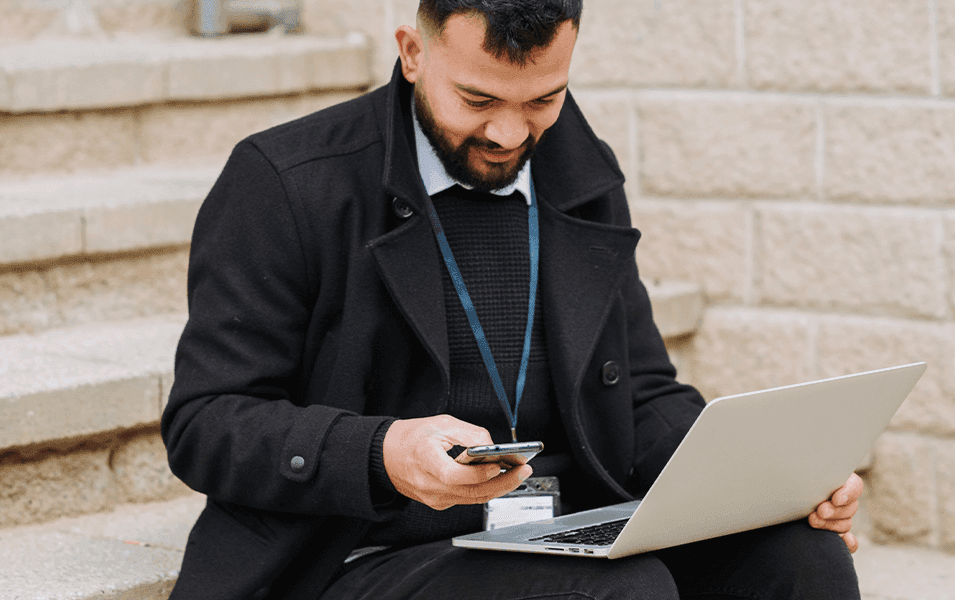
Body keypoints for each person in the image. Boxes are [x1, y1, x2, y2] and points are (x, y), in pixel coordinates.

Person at [161, 1, 864, 598]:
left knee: (801, 558)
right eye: (477, 100)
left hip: (565, 530)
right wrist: (383, 451)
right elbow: (206, 422)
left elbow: (642, 391)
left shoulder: (576, 168)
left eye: (542, 100)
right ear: (412, 53)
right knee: (621, 591)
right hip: (361, 554)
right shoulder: (284, 181)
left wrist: (760, 481)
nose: (509, 135)